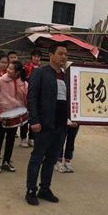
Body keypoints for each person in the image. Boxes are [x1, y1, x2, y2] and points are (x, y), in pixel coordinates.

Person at [25, 43, 68, 206]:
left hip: (61, 125)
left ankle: (45, 188)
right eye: (60, 53)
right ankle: (31, 190)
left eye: (65, 54)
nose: (64, 57)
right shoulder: (40, 73)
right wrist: (34, 120)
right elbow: (32, 97)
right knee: (37, 157)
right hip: (44, 124)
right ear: (51, 55)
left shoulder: (66, 76)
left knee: (52, 159)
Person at [0, 61, 28, 173]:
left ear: (18, 72)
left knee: (11, 140)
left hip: (15, 115)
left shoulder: (23, 83)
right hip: (3, 114)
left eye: (11, 69)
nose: (8, 70)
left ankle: (6, 161)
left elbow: (27, 96)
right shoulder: (2, 80)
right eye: (8, 68)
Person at [20, 49, 42, 148]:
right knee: (25, 117)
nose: (36, 58)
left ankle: (31, 138)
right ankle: (23, 138)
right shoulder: (26, 67)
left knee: (34, 116)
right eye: (35, 56)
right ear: (31, 57)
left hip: (37, 96)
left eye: (38, 56)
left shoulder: (42, 69)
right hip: (26, 94)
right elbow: (22, 80)